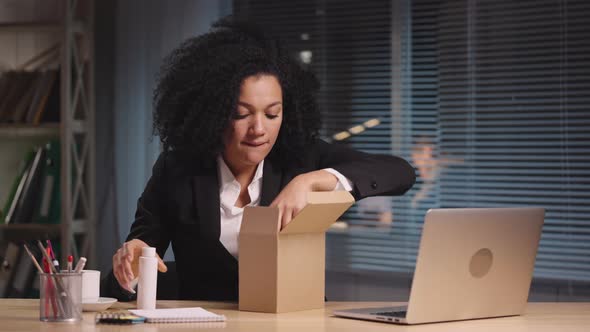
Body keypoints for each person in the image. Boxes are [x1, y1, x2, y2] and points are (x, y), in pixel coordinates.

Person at [103, 16, 415, 301]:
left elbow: (400, 172)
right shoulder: (177, 171)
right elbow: (125, 277)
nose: (259, 129)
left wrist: (314, 181)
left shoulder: (301, 158)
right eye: (241, 114)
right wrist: (127, 267)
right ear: (213, 114)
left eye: (272, 113)